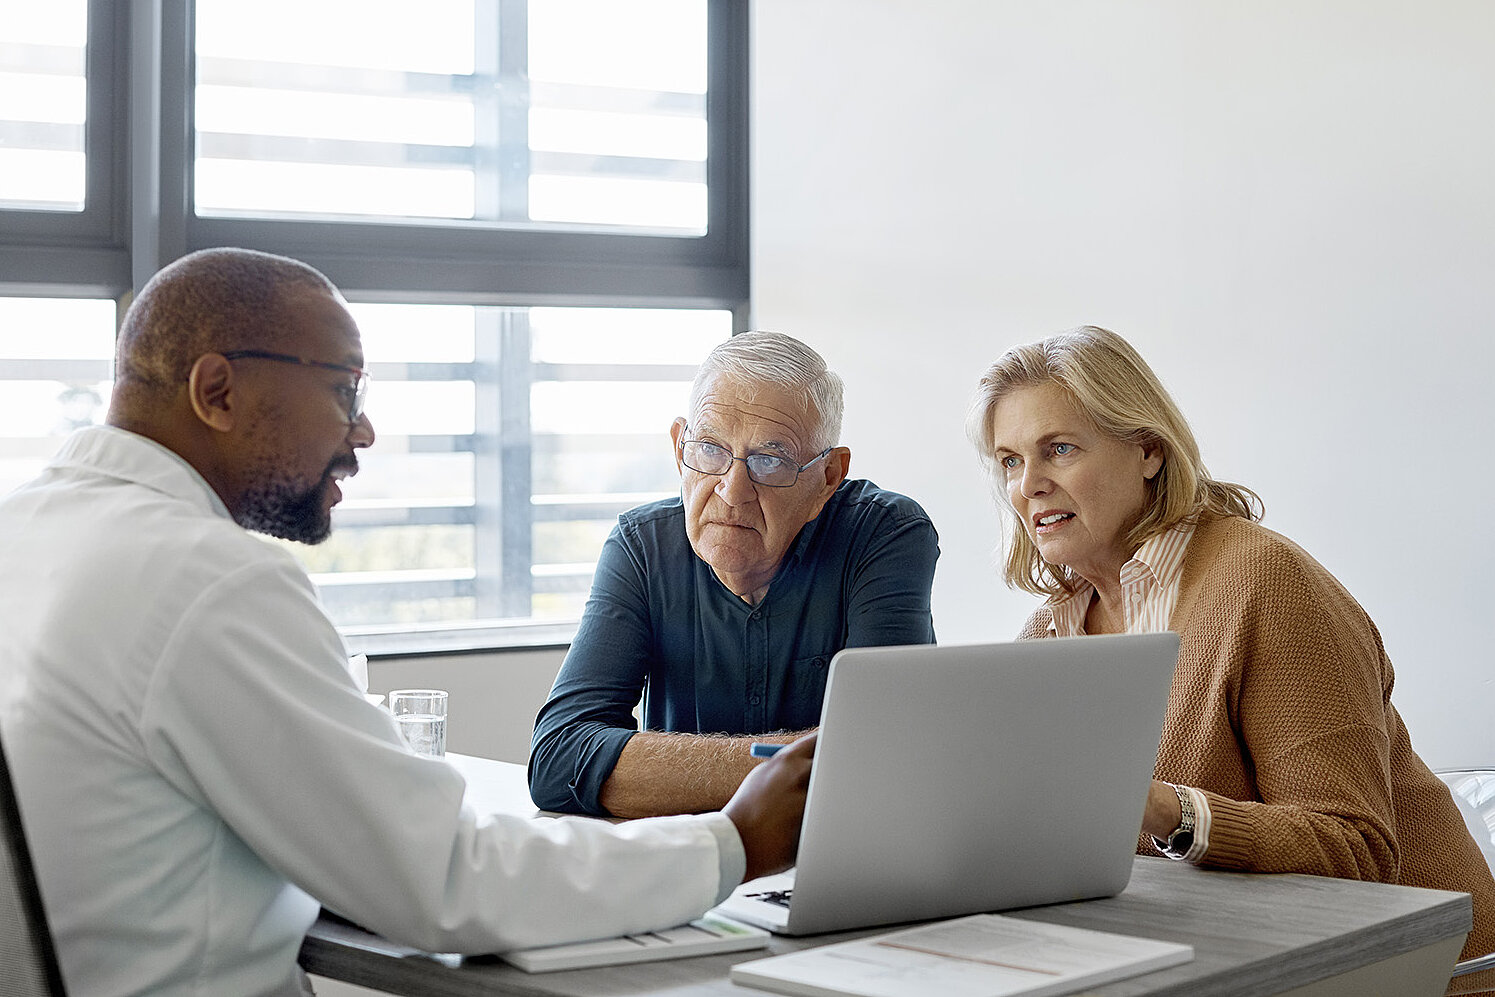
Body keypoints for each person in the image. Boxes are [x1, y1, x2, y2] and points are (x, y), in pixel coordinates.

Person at [0, 248, 816, 997]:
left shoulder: (26, 532)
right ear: (217, 391)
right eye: (343, 389)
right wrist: (733, 839)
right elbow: (446, 879)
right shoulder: (205, 580)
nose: (363, 430)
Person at [967, 324, 1495, 988]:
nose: (1029, 485)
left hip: (1415, 973)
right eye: (1009, 460)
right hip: (1216, 961)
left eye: (1059, 449)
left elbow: (1354, 850)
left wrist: (1166, 810)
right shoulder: (1050, 632)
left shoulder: (1263, 581)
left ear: (1148, 451)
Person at [529, 331, 938, 818]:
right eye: (710, 449)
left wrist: (656, 770)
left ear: (829, 477)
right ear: (680, 446)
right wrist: (815, 758)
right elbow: (558, 761)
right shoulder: (642, 547)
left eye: (770, 460)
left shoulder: (883, 535)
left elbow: (888, 756)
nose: (732, 490)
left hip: (835, 865)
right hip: (685, 866)